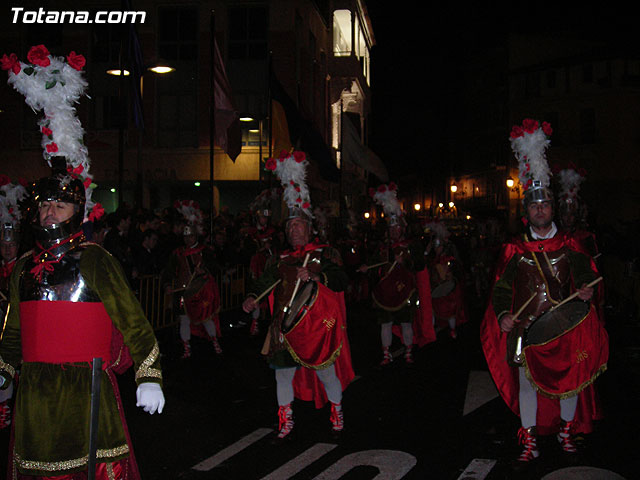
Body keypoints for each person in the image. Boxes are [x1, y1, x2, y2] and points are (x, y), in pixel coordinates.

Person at [0, 158, 165, 479]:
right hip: (34, 393)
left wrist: (149, 376)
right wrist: (3, 368)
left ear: (77, 211)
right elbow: (13, 332)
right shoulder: (22, 268)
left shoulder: (96, 260)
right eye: (46, 204)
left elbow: (135, 324)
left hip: (87, 392)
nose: (50, 211)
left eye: (60, 205)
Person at [480, 119, 608, 470]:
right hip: (524, 328)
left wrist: (585, 289)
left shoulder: (570, 245)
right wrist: (503, 314)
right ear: (527, 212)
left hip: (563, 324)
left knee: (567, 383)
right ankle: (529, 440)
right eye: (534, 206)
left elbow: (586, 273)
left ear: (552, 209)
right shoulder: (513, 250)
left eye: (545, 205)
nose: (540, 210)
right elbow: (502, 288)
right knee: (527, 385)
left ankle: (567, 432)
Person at [242, 150, 354, 439]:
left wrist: (317, 276)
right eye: (290, 226)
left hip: (316, 328)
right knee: (282, 375)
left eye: (298, 225)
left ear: (308, 228)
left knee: (326, 372)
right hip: (284, 326)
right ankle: (285, 419)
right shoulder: (280, 260)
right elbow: (265, 282)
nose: (294, 230)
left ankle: (337, 410)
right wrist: (253, 296)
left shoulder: (324, 254)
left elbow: (342, 280)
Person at [362, 183, 434, 365]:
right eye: (391, 228)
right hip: (385, 293)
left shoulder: (412, 245)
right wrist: (367, 268)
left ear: (402, 228)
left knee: (406, 322)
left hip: (406, 291)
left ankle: (409, 350)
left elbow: (419, 265)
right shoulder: (383, 247)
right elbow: (374, 264)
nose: (394, 231)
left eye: (397, 228)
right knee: (384, 323)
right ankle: (386, 353)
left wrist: (406, 261)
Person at [161, 201, 222, 358]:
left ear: (196, 236)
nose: (188, 240)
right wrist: (167, 284)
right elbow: (168, 271)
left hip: (201, 292)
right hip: (183, 292)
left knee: (206, 318)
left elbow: (215, 267)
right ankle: (186, 347)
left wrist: (204, 270)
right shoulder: (177, 253)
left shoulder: (205, 252)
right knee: (184, 319)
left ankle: (214, 342)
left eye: (191, 236)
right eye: (185, 237)